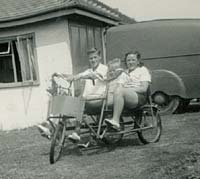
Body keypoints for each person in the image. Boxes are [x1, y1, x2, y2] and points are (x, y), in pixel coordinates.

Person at [37, 48, 108, 142]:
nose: (93, 60)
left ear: (100, 57)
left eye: (95, 57)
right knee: (60, 101)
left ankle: (77, 132)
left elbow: (94, 76)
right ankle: (50, 127)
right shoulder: (89, 70)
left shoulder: (104, 69)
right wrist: (60, 74)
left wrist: (80, 77)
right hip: (86, 101)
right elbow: (74, 76)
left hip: (99, 100)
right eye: (91, 58)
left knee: (79, 100)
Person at [105, 51, 151, 129]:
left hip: (138, 97)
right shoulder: (124, 73)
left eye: (133, 60)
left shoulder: (142, 70)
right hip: (125, 95)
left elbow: (144, 88)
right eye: (128, 60)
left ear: (138, 61)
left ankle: (115, 120)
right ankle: (99, 128)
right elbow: (119, 86)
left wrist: (128, 90)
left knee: (120, 91)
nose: (130, 62)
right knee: (106, 100)